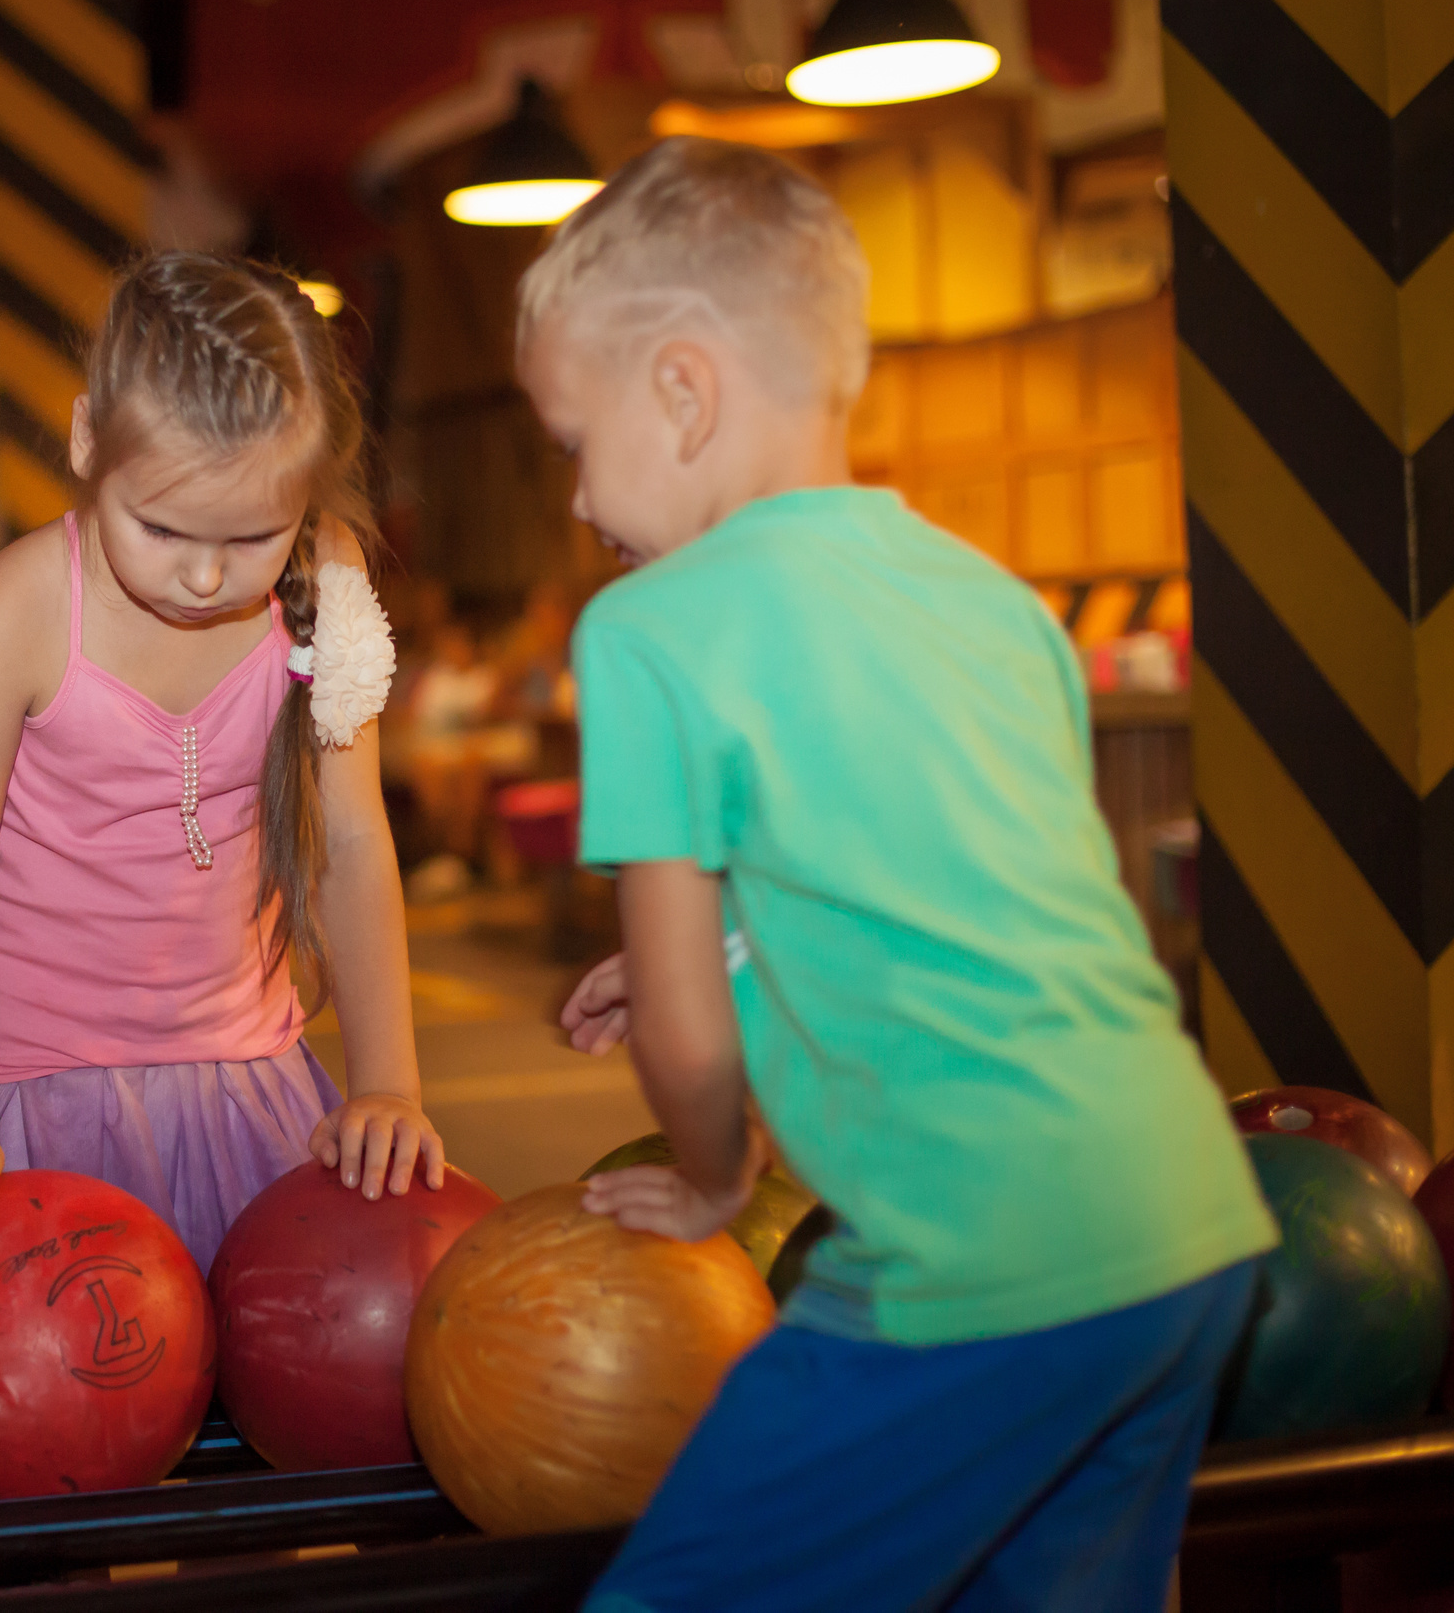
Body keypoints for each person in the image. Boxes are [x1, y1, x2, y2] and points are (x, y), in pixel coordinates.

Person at [518, 138, 1277, 1613]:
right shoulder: (993, 601)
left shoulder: (650, 628)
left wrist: (715, 1174)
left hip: (974, 1261)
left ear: (680, 389)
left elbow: (679, 1031)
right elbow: (967, 890)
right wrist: (745, 938)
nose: (574, 498)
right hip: (1189, 1227)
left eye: (568, 440)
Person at [0, 253, 448, 1278]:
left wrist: (387, 1083)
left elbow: (349, 838)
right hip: (33, 1097)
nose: (206, 575)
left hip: (248, 1087)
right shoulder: (13, 616)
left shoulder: (327, 575)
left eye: (255, 535)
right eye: (162, 528)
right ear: (87, 439)